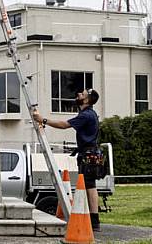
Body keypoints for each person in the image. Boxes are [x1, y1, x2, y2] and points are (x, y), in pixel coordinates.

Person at [32, 89, 102, 232]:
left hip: (88, 154)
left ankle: (94, 221)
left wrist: (42, 120)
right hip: (88, 153)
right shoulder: (87, 114)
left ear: (87, 100)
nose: (78, 95)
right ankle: (92, 218)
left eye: (82, 94)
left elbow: (64, 125)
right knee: (89, 185)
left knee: (89, 185)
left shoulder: (87, 115)